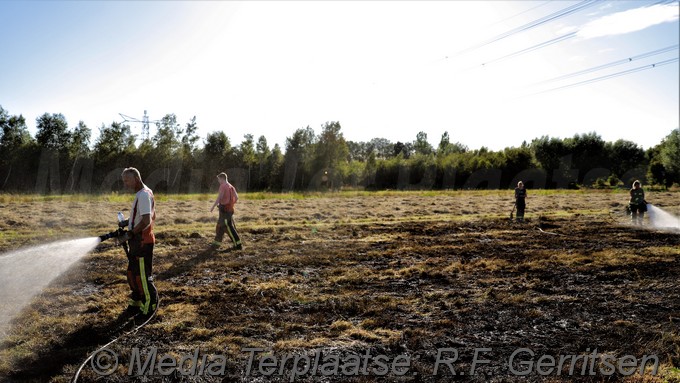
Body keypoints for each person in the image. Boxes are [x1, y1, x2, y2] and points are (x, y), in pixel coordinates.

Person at [120, 167, 157, 316]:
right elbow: (141, 217)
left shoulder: (143, 195)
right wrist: (127, 223)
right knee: (132, 273)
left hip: (142, 242)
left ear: (136, 178)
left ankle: (150, 305)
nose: (125, 184)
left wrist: (130, 233)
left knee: (142, 276)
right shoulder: (143, 193)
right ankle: (136, 301)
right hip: (137, 241)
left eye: (127, 180)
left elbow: (147, 221)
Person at [210, 172, 242, 250]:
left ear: (222, 178)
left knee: (228, 227)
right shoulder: (231, 186)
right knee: (220, 226)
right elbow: (237, 197)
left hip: (224, 210)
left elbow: (219, 198)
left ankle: (238, 245)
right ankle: (216, 244)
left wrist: (213, 207)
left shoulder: (223, 186)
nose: (218, 181)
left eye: (218, 179)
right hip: (229, 209)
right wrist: (231, 204)